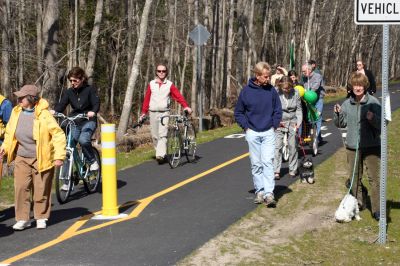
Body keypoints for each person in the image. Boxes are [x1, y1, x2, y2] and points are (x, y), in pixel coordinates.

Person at [0, 85, 66, 230]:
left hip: (41, 157)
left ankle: (41, 216)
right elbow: (9, 133)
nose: (18, 99)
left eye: (22, 97)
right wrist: (4, 148)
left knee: (41, 188)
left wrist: (59, 156)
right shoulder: (16, 112)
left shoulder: (44, 114)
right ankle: (22, 218)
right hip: (21, 156)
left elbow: (58, 134)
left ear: (30, 99)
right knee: (21, 188)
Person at [333, 72, 381, 221]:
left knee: (374, 179)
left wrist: (373, 119)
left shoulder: (373, 102)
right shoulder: (347, 103)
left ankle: (377, 209)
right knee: (354, 178)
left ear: (365, 86)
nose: (358, 88)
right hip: (353, 146)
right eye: (355, 85)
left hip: (371, 146)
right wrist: (337, 114)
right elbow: (341, 124)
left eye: (360, 85)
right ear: (352, 87)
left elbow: (382, 124)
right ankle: (359, 203)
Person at [234, 62, 282, 207]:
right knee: (256, 164)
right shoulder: (246, 91)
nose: (268, 79)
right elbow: (238, 112)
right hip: (252, 132)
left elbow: (278, 110)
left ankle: (269, 193)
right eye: (265, 77)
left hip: (268, 131)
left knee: (268, 162)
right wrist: (246, 127)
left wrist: (274, 124)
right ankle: (260, 191)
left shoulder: (272, 91)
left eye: (268, 76)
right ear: (257, 75)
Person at [139, 62, 192, 164]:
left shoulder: (169, 84)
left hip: (164, 113)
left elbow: (178, 96)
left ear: (166, 72)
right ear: (156, 72)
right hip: (153, 112)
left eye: (163, 71)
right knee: (155, 136)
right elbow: (147, 99)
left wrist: (185, 106)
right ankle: (161, 154)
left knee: (162, 134)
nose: (161, 73)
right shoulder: (151, 84)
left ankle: (160, 155)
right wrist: (143, 113)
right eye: (159, 71)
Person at [51, 67, 100, 171]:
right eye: (71, 81)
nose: (72, 83)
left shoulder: (90, 90)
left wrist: (93, 111)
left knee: (83, 140)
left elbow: (96, 103)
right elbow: (61, 105)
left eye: (75, 80)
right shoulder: (69, 92)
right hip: (75, 121)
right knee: (68, 146)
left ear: (82, 79)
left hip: (88, 120)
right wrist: (54, 111)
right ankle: (66, 180)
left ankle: (92, 161)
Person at [274, 76, 302, 179]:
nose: (286, 90)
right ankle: (276, 170)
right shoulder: (276, 93)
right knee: (277, 146)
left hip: (292, 121)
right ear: (280, 86)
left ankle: (293, 169)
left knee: (293, 145)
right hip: (280, 120)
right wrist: (275, 121)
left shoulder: (296, 93)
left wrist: (298, 123)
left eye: (288, 88)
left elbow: (298, 110)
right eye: (284, 88)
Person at [301, 63, 325, 144]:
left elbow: (316, 86)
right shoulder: (304, 78)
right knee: (310, 118)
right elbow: (302, 87)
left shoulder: (317, 76)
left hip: (318, 99)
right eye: (302, 71)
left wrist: (309, 93)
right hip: (309, 100)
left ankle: (317, 138)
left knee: (317, 117)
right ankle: (314, 135)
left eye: (304, 71)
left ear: (309, 70)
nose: (303, 73)